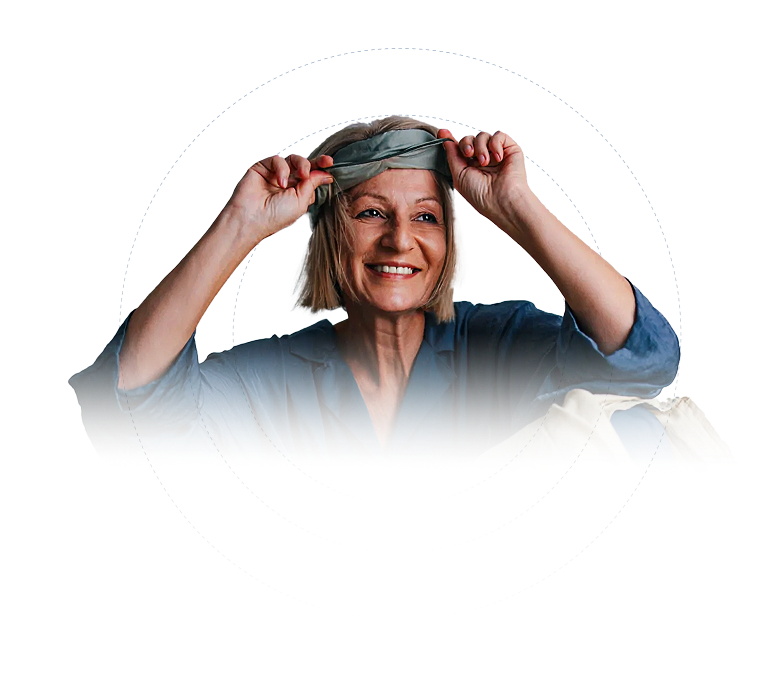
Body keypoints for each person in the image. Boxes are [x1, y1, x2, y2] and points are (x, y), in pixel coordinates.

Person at [68, 116, 680, 465]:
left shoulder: (499, 341)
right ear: (332, 233)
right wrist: (239, 226)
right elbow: (131, 407)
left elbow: (638, 357)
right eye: (369, 214)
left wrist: (515, 206)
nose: (398, 241)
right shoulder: (270, 382)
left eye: (425, 217)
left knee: (630, 426)